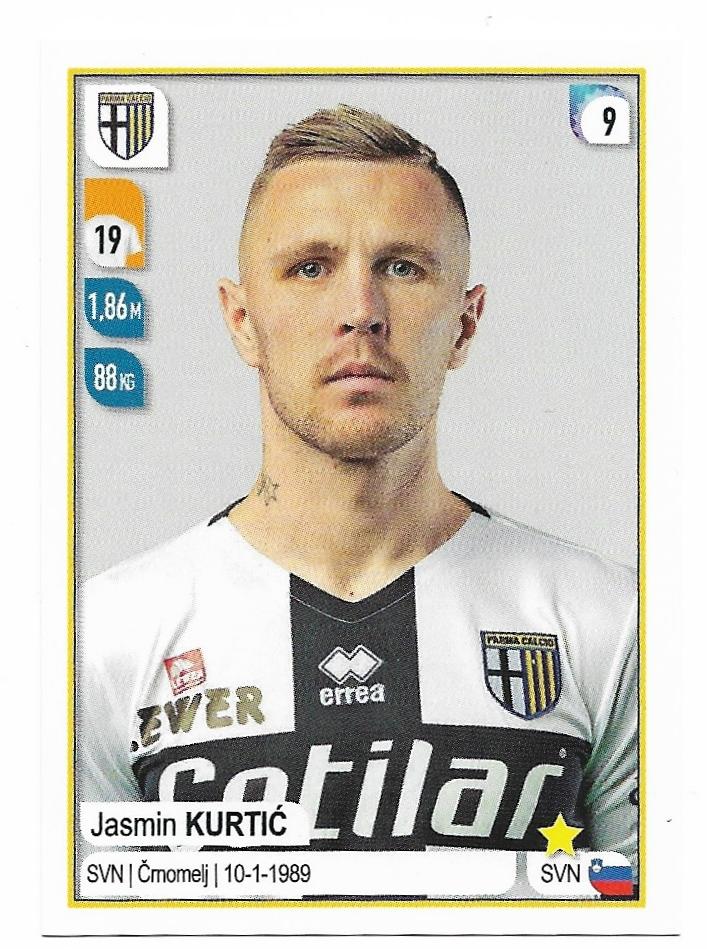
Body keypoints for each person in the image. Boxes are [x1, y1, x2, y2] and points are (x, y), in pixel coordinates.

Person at [78, 104, 637, 885]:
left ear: (465, 323)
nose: (360, 313)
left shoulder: (609, 620)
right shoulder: (103, 636)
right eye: (310, 268)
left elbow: (655, 918)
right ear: (241, 320)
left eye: (401, 268)